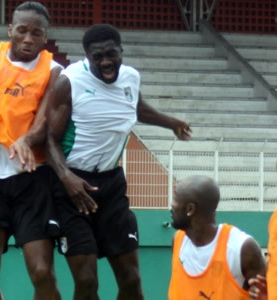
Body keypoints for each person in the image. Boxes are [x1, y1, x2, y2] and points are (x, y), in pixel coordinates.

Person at [46, 24, 192, 300]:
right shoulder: (70, 81)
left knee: (132, 280)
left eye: (111, 54)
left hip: (111, 185)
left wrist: (170, 122)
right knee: (87, 281)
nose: (106, 62)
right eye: (97, 57)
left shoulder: (130, 78)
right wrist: (66, 178)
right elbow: (50, 140)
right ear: (87, 56)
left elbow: (135, 108)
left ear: (121, 50)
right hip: (73, 187)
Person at [0, 2, 63, 299]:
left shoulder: (54, 71)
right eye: (22, 31)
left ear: (45, 37)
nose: (28, 38)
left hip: (32, 179)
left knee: (42, 272)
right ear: (10, 31)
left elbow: (45, 120)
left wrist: (26, 141)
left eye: (36, 33)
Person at [168, 175, 266, 300]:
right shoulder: (178, 241)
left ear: (190, 209)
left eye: (175, 199)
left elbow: (266, 294)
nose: (171, 205)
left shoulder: (241, 248)